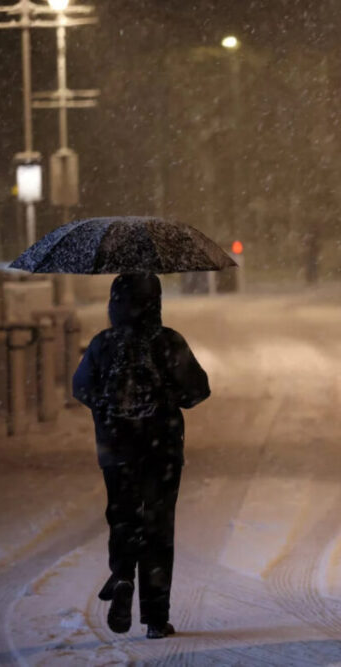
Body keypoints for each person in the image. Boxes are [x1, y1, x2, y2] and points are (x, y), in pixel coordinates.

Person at [73, 273, 209, 639]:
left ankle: (122, 577)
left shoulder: (103, 343)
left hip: (116, 449)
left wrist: (109, 407)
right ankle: (155, 618)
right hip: (161, 449)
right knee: (157, 527)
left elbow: (81, 388)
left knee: (123, 519)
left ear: (114, 303)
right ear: (156, 303)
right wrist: (168, 396)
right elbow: (198, 391)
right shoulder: (168, 341)